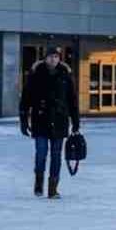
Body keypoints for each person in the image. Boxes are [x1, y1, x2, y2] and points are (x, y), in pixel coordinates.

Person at [19, 47, 80, 199]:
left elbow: (72, 100)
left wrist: (76, 121)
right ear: (45, 58)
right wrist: (23, 119)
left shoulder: (65, 75)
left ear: (59, 59)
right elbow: (26, 98)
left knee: (56, 155)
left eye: (56, 57)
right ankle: (39, 184)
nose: (53, 59)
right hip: (40, 120)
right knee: (41, 153)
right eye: (50, 57)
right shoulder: (36, 74)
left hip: (59, 120)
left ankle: (53, 188)